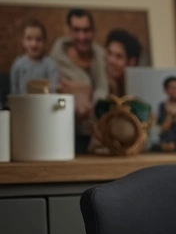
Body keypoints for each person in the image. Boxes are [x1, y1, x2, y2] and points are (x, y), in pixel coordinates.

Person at [50, 9, 109, 150]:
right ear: (69, 31)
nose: (81, 36)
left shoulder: (101, 56)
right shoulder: (56, 58)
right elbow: (55, 92)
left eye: (86, 30)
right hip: (64, 132)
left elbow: (103, 88)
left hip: (98, 134)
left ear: (93, 31)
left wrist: (90, 99)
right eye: (76, 30)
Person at [9, 20, 59, 101]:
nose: (34, 44)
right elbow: (14, 93)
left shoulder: (50, 65)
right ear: (23, 41)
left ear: (44, 41)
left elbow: (53, 91)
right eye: (29, 39)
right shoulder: (18, 65)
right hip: (22, 107)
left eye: (38, 39)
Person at [103, 28, 143, 97]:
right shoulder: (100, 85)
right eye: (109, 53)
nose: (111, 60)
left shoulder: (139, 92)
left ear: (132, 62)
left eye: (119, 56)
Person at [155, 76, 176, 151]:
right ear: (166, 90)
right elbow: (162, 128)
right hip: (165, 141)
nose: (174, 91)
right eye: (171, 88)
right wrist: (169, 116)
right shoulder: (162, 106)